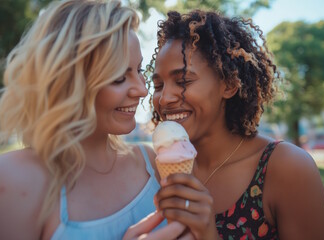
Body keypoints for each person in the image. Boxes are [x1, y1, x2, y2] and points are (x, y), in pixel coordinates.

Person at [0, 1, 190, 239]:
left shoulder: (150, 163)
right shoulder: (12, 180)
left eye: (139, 70)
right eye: (120, 77)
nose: (142, 90)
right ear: (68, 82)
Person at [148, 10, 324, 239]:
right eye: (158, 86)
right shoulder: (153, 170)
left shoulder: (287, 168)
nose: (164, 99)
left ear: (230, 85)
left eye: (183, 81)